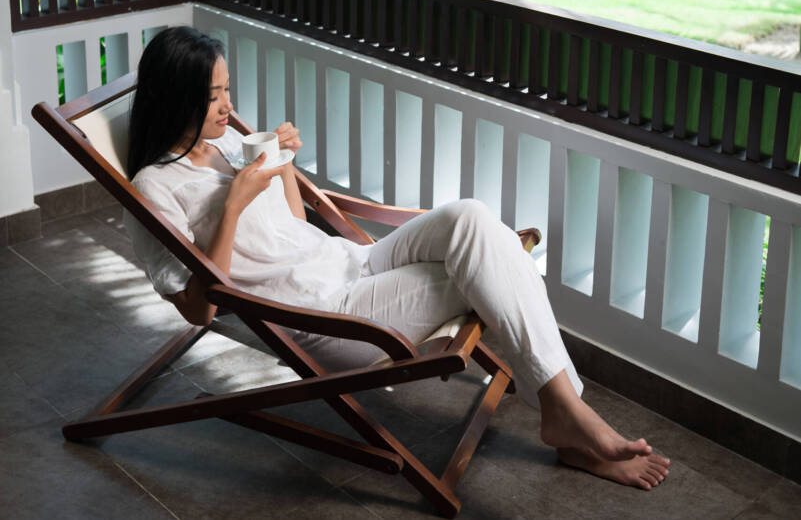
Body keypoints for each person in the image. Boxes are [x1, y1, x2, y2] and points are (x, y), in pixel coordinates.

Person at [125, 26, 670, 491]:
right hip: (322, 316)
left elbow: (294, 225)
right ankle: (568, 412)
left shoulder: (227, 145)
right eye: (213, 97)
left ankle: (564, 411)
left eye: (227, 90)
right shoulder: (155, 186)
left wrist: (283, 164)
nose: (229, 106)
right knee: (495, 263)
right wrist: (233, 206)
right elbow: (199, 310)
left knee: (471, 219)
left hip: (349, 263)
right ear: (175, 98)